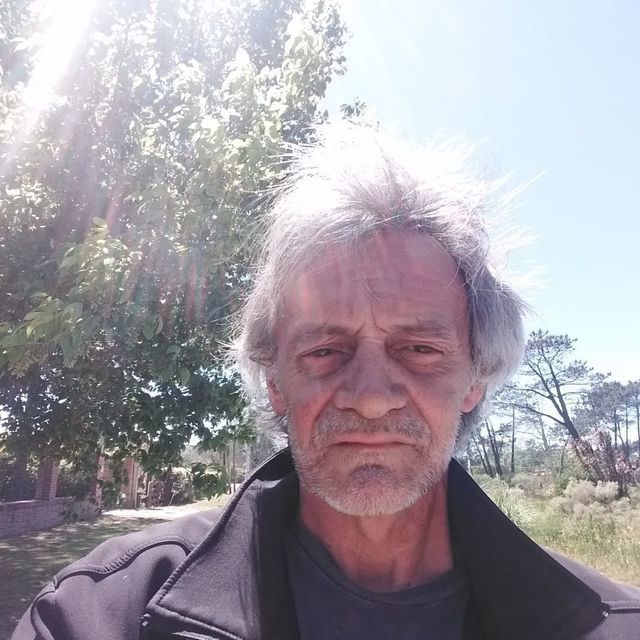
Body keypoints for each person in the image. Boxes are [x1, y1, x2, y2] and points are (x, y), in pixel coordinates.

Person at [12, 126, 640, 639]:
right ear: (274, 380)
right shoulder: (99, 616)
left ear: (476, 376)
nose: (370, 396)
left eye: (419, 349)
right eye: (325, 350)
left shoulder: (609, 624)